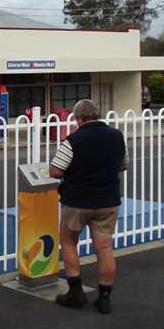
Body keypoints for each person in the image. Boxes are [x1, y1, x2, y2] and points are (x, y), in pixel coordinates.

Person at [48, 99, 127, 314]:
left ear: (79, 118)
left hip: (77, 201)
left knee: (69, 241)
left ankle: (75, 293)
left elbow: (55, 171)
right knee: (104, 247)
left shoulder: (73, 140)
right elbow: (123, 165)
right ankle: (104, 297)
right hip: (108, 200)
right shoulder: (116, 136)